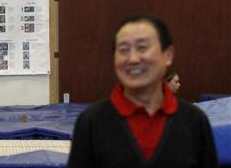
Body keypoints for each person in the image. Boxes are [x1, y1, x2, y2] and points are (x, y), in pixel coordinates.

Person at [67, 14, 218, 168]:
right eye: (124, 50)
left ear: (168, 55)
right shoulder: (91, 122)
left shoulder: (194, 121)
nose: (133, 59)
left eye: (142, 47)